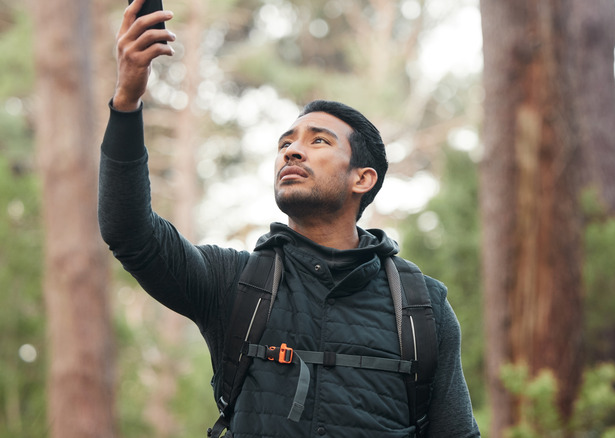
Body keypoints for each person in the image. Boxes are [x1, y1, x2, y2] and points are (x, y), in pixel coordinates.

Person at [98, 1, 480, 436]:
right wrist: (126, 101)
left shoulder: (421, 308)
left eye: (318, 141)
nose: (292, 151)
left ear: (362, 178)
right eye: (285, 143)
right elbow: (129, 233)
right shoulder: (235, 283)